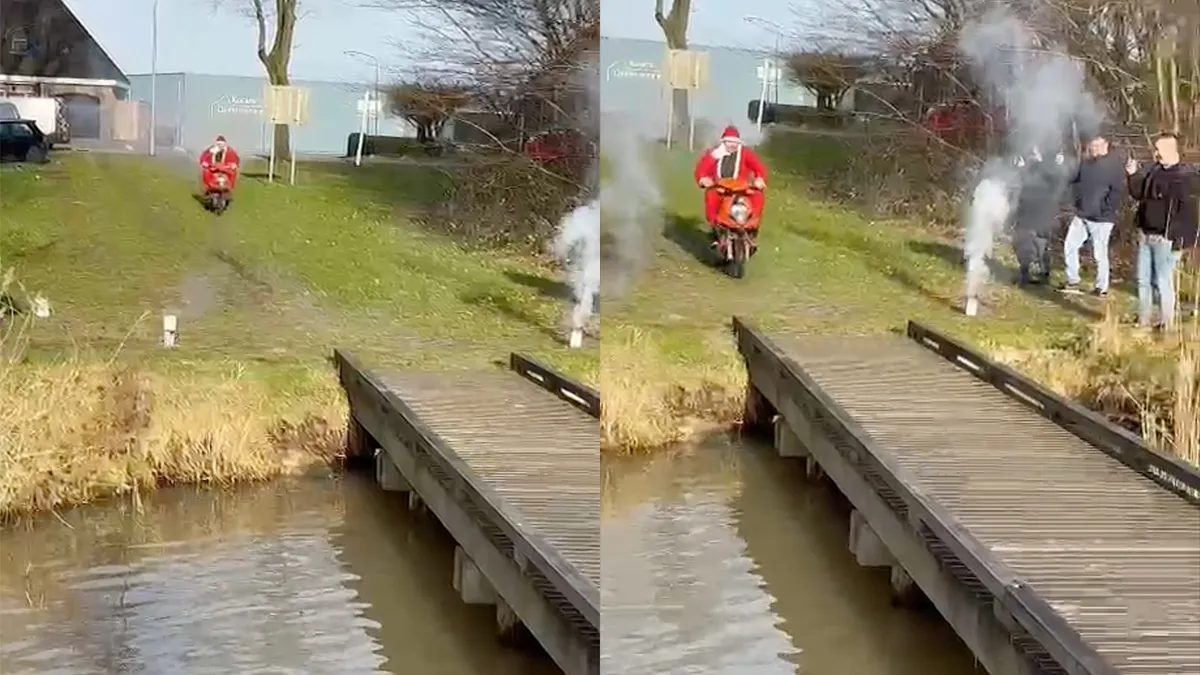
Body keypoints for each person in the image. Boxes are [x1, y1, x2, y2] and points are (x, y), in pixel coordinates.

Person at [1126, 131, 1198, 332]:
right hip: (1145, 234)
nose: (1155, 153)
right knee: (1143, 281)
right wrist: (1132, 175)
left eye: (1158, 149)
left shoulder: (1186, 177)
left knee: (1162, 282)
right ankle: (1144, 321)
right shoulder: (1154, 170)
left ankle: (1167, 324)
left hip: (1166, 239)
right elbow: (1139, 193)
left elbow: (1189, 214)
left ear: (1171, 149)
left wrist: (1181, 240)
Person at [1061, 133, 1126, 297]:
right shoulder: (1086, 163)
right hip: (1082, 214)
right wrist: (1062, 167)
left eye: (1098, 145)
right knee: (1070, 246)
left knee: (1099, 253)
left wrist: (1104, 210)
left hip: (1102, 219)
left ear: (1106, 145)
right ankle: (1072, 280)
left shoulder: (1114, 166)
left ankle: (1101, 288)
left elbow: (1117, 192)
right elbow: (1073, 180)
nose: (1095, 149)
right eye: (1092, 146)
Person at [694, 125, 768, 247]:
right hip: (721, 187)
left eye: (734, 142)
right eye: (728, 142)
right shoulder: (715, 153)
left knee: (758, 196)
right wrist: (703, 179)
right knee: (711, 197)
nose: (732, 145)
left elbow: (759, 167)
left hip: (741, 188)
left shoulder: (745, 153)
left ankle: (752, 229)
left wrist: (760, 178)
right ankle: (715, 231)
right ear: (723, 142)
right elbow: (702, 168)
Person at [1011, 144, 1067, 285]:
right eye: (1031, 153)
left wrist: (1058, 166)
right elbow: (1022, 184)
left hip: (1042, 212)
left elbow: (1057, 184)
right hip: (1026, 211)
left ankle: (1042, 273)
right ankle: (1025, 273)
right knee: (1022, 243)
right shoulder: (1029, 167)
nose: (1032, 155)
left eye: (1035, 152)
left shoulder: (1049, 169)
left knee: (1040, 244)